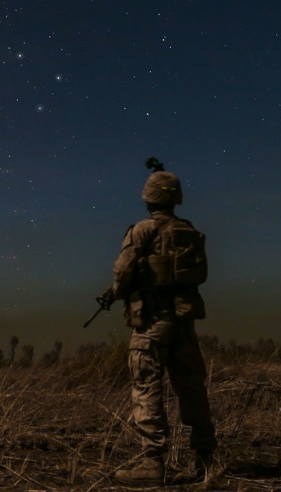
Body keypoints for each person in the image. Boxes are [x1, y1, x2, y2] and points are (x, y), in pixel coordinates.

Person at [99, 158, 217, 485]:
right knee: (192, 388)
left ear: (148, 198)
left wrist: (116, 291)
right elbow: (201, 274)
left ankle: (152, 462)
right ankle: (205, 459)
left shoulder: (142, 230)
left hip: (152, 321)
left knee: (146, 385)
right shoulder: (190, 231)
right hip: (183, 321)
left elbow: (123, 273)